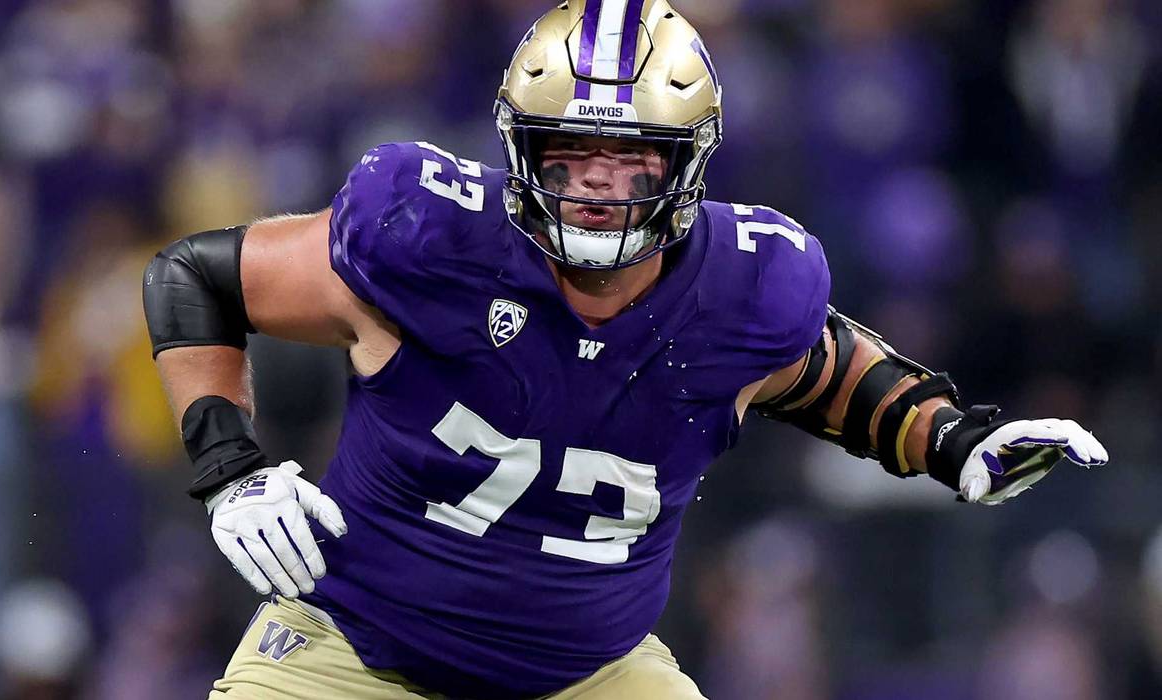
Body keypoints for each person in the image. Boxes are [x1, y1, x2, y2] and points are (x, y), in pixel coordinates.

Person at [142, 2, 1108, 698]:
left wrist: (944, 438)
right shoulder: (430, 242)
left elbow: (816, 368)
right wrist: (231, 465)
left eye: (631, 157)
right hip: (351, 657)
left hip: (590, 679)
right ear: (522, 153)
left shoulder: (742, 289)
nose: (598, 185)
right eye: (570, 154)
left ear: (686, 163)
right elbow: (196, 277)